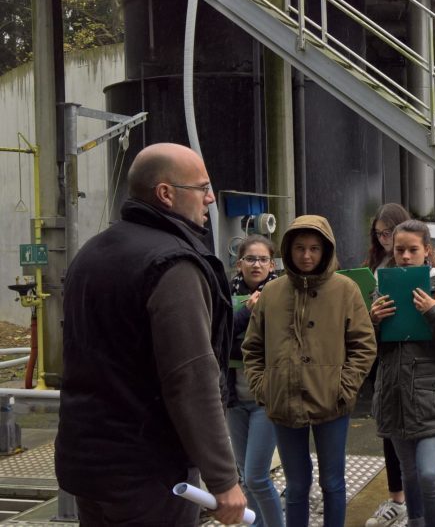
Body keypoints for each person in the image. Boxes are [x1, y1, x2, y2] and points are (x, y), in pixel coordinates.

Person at [55, 142, 247, 526]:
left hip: (86, 463)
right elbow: (191, 378)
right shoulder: (172, 265)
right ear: (166, 194)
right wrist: (223, 479)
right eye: (202, 187)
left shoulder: (91, 253)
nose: (210, 198)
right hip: (148, 471)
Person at [243, 215, 377, 527]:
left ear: (326, 250)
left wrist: (344, 389)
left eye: (315, 248)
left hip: (332, 401)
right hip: (283, 401)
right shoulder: (272, 292)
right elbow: (252, 347)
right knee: (296, 484)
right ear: (288, 249)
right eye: (300, 248)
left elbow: (363, 345)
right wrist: (264, 387)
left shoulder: (346, 289)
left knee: (333, 482)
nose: (306, 255)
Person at [370, 220, 435, 527]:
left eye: (412, 250)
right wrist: (372, 320)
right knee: (410, 472)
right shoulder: (382, 287)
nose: (404, 256)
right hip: (395, 395)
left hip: (432, 397)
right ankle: (415, 521)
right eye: (399, 250)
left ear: (426, 251)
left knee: (429, 473)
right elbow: (365, 348)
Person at [227, 235, 284, 527]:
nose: (257, 265)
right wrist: (246, 311)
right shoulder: (226, 294)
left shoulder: (282, 293)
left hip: (267, 397)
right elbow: (219, 337)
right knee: (245, 478)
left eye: (263, 259)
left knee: (256, 476)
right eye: (250, 259)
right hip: (234, 398)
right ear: (239, 264)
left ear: (272, 264)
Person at [362, 203, 412, 527]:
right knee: (387, 428)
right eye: (379, 234)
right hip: (378, 350)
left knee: (410, 430)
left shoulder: (413, 261)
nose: (384, 240)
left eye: (388, 233)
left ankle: (412, 500)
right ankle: (397, 499)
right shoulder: (373, 263)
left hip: (407, 354)